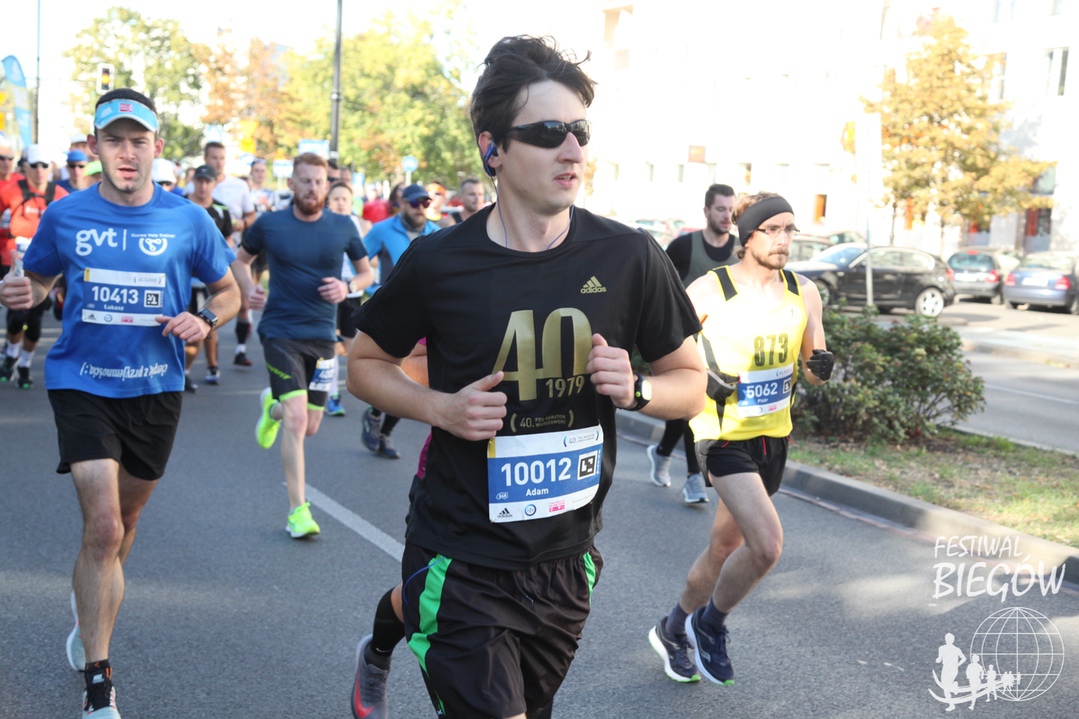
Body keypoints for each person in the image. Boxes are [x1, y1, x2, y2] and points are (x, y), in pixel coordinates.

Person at [347, 35, 705, 719]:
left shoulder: (629, 255)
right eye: (547, 133)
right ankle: (405, 621)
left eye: (579, 132)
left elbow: (690, 380)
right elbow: (362, 366)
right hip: (460, 548)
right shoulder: (439, 262)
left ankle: (387, 631)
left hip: (567, 555)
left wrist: (638, 390)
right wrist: (440, 408)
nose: (572, 150)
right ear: (494, 149)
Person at [0, 88, 239, 719]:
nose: (126, 153)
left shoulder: (189, 220)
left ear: (157, 147)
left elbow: (228, 292)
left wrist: (205, 319)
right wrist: (21, 291)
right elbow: (39, 280)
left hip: (155, 388)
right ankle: (99, 681)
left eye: (138, 141)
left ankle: (90, 616)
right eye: (114, 140)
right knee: (103, 527)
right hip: (82, 381)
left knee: (125, 526)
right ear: (95, 147)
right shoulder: (66, 215)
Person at [648, 192, 834, 687]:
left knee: (723, 548)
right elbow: (665, 350)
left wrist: (821, 368)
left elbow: (812, 368)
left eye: (790, 229)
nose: (783, 239)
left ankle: (672, 628)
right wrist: (701, 376)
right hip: (722, 435)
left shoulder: (804, 292)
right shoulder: (710, 291)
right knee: (767, 545)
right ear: (747, 234)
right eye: (772, 229)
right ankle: (710, 624)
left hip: (773, 437)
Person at [235, 152, 373, 539]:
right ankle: (298, 511)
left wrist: (347, 286)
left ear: (326, 186)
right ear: (291, 184)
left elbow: (366, 273)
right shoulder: (270, 223)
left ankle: (272, 406)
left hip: (323, 336)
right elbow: (240, 260)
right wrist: (249, 291)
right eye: (306, 181)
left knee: (310, 425)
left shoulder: (343, 225)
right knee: (297, 419)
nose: (313, 188)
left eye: (319, 182)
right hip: (280, 331)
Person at [646, 183, 737, 504]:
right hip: (686, 344)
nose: (727, 216)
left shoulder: (740, 250)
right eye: (721, 209)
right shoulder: (684, 247)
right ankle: (694, 477)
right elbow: (659, 287)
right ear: (707, 211)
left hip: (725, 347)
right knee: (696, 407)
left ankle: (661, 452)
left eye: (731, 210)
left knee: (686, 409)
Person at [357, 182, 442, 459]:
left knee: (408, 378)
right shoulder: (382, 229)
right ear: (402, 204)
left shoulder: (437, 233)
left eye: (425, 203)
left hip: (427, 316)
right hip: (390, 314)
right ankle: (375, 416)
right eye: (415, 203)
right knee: (390, 371)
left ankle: (382, 427)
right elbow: (359, 262)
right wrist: (373, 289)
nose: (420, 208)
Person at [0, 144, 69, 388]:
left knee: (35, 318)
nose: (39, 170)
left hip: (46, 266)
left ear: (51, 168)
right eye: (34, 165)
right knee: (16, 315)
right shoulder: (10, 191)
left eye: (44, 165)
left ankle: (25, 365)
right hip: (13, 262)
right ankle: (11, 354)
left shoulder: (61, 195)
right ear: (26, 167)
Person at [201, 141, 257, 366]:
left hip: (234, 252)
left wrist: (242, 223)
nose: (218, 162)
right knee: (209, 303)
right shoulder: (199, 184)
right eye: (214, 158)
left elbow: (251, 215)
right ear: (206, 159)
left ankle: (240, 349)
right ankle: (210, 359)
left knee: (242, 301)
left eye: (222, 158)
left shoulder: (238, 186)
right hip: (205, 256)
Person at [325, 180, 365, 416]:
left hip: (352, 292)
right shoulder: (322, 223)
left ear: (351, 203)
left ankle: (319, 368)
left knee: (347, 346)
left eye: (344, 199)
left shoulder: (358, 225)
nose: (340, 203)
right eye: (336, 199)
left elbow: (367, 260)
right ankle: (332, 395)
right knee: (330, 346)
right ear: (328, 202)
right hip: (328, 290)